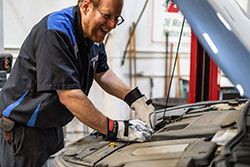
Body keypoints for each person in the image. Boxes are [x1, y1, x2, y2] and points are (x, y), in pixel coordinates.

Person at [0, 0, 155, 166]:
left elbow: (103, 74)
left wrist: (136, 100)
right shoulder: (55, 31)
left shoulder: (93, 36)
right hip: (23, 132)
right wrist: (115, 129)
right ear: (86, 6)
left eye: (117, 18)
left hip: (52, 127)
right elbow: (70, 96)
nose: (112, 25)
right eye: (107, 16)